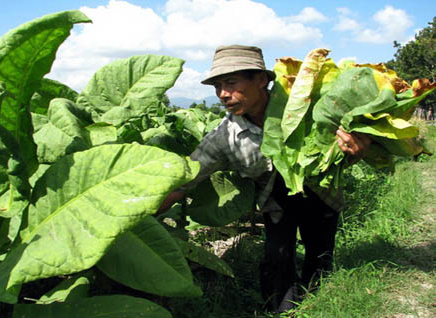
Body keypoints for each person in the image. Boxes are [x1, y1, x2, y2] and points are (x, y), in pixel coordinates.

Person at [158, 45, 370, 314]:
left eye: (231, 82)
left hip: (320, 193)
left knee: (319, 255)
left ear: (261, 80)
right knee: (276, 259)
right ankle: (282, 311)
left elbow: (343, 151)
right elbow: (186, 179)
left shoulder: (306, 107)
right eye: (217, 86)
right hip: (276, 202)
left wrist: (354, 151)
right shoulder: (225, 137)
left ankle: (322, 306)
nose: (223, 93)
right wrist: (143, 211)